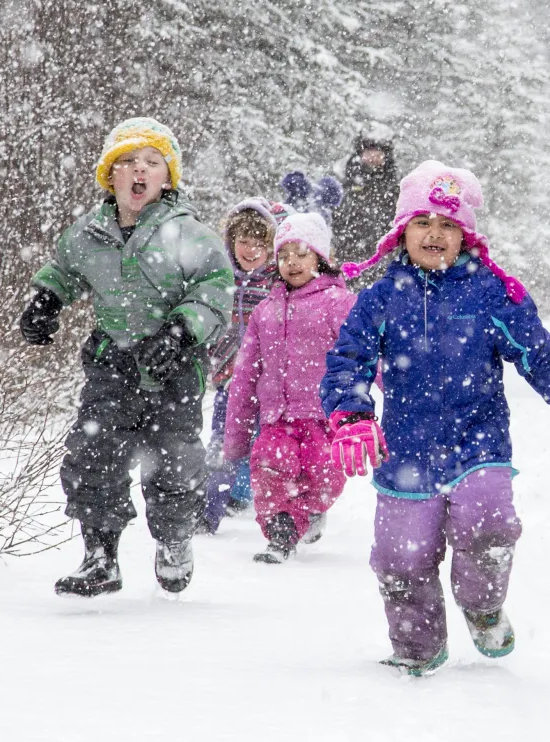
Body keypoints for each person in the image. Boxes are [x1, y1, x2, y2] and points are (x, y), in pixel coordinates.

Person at [320, 160, 550, 676]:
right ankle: (417, 647)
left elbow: (538, 354)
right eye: (423, 222)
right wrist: (350, 413)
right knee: (400, 561)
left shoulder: (489, 293)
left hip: (478, 441)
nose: (434, 234)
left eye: (447, 225)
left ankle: (482, 605)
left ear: (465, 237)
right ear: (401, 232)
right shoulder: (381, 298)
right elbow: (348, 359)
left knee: (489, 526)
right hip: (406, 449)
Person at [19, 117, 233, 596]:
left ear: (167, 177)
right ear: (109, 176)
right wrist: (46, 298)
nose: (140, 171)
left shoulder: (190, 234)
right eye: (128, 162)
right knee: (93, 454)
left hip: (173, 367)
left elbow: (216, 289)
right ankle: (100, 555)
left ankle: (175, 539)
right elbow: (65, 269)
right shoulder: (88, 233)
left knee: (174, 461)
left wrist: (181, 331)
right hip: (110, 363)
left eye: (152, 163)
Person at [224, 213, 355, 563]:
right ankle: (281, 531)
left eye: (301, 253)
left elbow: (363, 354)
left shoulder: (338, 303)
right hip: (277, 416)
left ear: (321, 258)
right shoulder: (265, 312)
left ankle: (310, 511)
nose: (291, 262)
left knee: (325, 474)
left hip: (324, 416)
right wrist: (236, 434)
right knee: (268, 468)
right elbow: (245, 376)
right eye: (283, 255)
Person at [199, 198, 293, 534]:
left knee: (264, 443)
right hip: (229, 378)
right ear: (231, 240)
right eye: (244, 241)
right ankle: (208, 509)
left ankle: (252, 497)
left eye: (260, 244)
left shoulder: (279, 284)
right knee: (224, 441)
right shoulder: (221, 276)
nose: (251, 250)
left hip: (271, 381)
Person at [332, 130, 399, 290]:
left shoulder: (394, 185)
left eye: (378, 151)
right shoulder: (346, 181)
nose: (373, 156)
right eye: (369, 151)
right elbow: (335, 216)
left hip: (382, 253)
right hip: (349, 250)